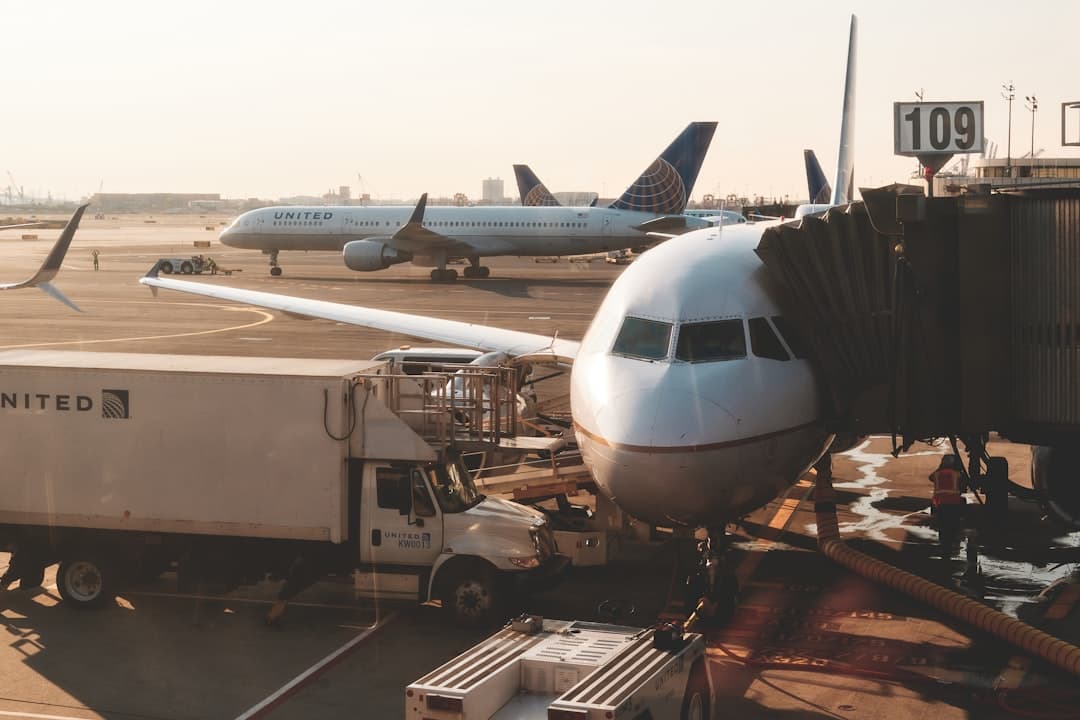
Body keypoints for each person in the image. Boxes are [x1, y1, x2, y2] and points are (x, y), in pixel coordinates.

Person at [929, 454, 966, 553]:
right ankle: (953, 540)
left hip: (940, 503)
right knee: (954, 522)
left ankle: (944, 543)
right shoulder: (957, 474)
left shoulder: (937, 474)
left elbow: (931, 477)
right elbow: (964, 484)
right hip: (953, 502)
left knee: (942, 525)